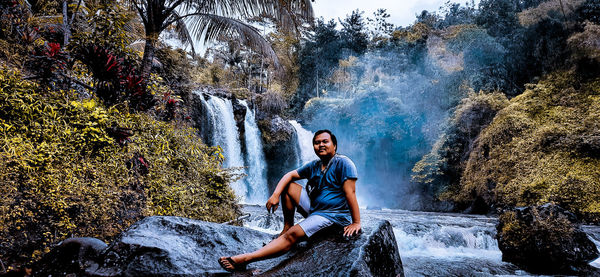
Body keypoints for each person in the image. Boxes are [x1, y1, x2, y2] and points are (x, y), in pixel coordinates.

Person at [218, 129, 361, 272]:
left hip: (333, 216)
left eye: (325, 141)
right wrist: (275, 195)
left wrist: (356, 222)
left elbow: (351, 193)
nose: (321, 145)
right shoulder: (315, 165)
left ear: (334, 145)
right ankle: (287, 226)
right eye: (317, 143)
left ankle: (245, 259)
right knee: (288, 186)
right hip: (316, 209)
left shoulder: (343, 163)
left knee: (293, 234)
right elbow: (290, 175)